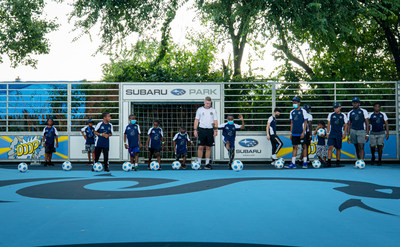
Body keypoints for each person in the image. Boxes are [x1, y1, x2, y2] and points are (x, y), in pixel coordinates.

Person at [194, 96, 218, 170]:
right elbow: (196, 120)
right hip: (201, 129)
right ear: (204, 102)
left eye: (209, 103)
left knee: (208, 147)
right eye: (207, 103)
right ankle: (199, 163)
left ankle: (207, 164)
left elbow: (215, 121)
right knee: (200, 146)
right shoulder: (200, 110)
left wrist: (216, 130)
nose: (208, 104)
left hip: (210, 130)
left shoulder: (213, 110)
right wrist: (195, 129)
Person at [285, 97, 308, 169]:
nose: (294, 104)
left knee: (304, 147)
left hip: (301, 132)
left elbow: (305, 122)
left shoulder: (303, 111)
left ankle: (305, 162)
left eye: (295, 102)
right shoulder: (292, 112)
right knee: (294, 147)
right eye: (293, 102)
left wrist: (303, 132)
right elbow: (291, 123)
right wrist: (291, 133)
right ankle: (293, 163)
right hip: (294, 133)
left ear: (299, 103)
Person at [347, 97, 369, 161]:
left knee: (361, 146)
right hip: (353, 131)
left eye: (356, 103)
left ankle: (362, 161)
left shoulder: (363, 111)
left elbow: (367, 123)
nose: (355, 104)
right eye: (354, 103)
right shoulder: (350, 113)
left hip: (361, 130)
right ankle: (358, 160)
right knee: (356, 146)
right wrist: (348, 135)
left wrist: (367, 134)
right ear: (352, 104)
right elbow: (349, 125)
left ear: (359, 103)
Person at [326, 103, 348, 167]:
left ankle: (338, 161)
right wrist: (327, 133)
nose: (335, 109)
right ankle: (329, 161)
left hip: (339, 133)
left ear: (340, 107)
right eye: (334, 108)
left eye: (336, 108)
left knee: (338, 148)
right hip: (332, 133)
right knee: (330, 147)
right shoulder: (331, 114)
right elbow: (328, 124)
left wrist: (344, 134)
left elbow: (346, 125)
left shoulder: (343, 115)